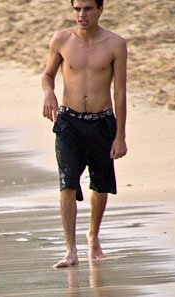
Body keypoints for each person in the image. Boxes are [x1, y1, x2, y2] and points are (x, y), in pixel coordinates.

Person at [41, 0, 128, 269]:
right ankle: (70, 249)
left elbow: (120, 92)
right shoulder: (62, 40)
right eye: (77, 9)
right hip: (69, 121)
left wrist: (120, 135)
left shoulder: (115, 44)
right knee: (67, 182)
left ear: (100, 10)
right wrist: (49, 93)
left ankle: (93, 235)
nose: (82, 14)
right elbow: (47, 75)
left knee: (100, 184)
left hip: (102, 122)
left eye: (88, 9)